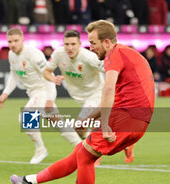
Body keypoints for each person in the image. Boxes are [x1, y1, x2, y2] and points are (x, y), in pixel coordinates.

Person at [10, 20, 155, 184]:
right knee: (79, 153)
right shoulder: (125, 54)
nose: (90, 47)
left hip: (127, 117)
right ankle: (28, 181)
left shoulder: (114, 55)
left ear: (106, 42)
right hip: (133, 118)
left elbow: (108, 89)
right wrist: (88, 120)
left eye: (93, 42)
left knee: (86, 157)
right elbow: (117, 98)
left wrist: (104, 126)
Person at [43, 30, 135, 164]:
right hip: (79, 97)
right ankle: (124, 145)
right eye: (66, 44)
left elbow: (111, 69)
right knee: (80, 131)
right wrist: (53, 78)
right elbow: (46, 72)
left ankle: (94, 155)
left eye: (73, 44)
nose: (69, 48)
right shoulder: (58, 54)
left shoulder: (89, 57)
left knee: (80, 125)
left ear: (80, 44)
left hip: (95, 94)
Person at [0, 28, 81, 164]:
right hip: (33, 94)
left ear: (23, 40)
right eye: (10, 41)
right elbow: (14, 74)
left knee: (24, 118)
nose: (13, 44)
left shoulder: (34, 54)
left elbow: (50, 75)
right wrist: (5, 93)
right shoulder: (11, 55)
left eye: (16, 41)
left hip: (42, 91)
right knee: (59, 124)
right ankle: (81, 147)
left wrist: (49, 99)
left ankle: (41, 149)